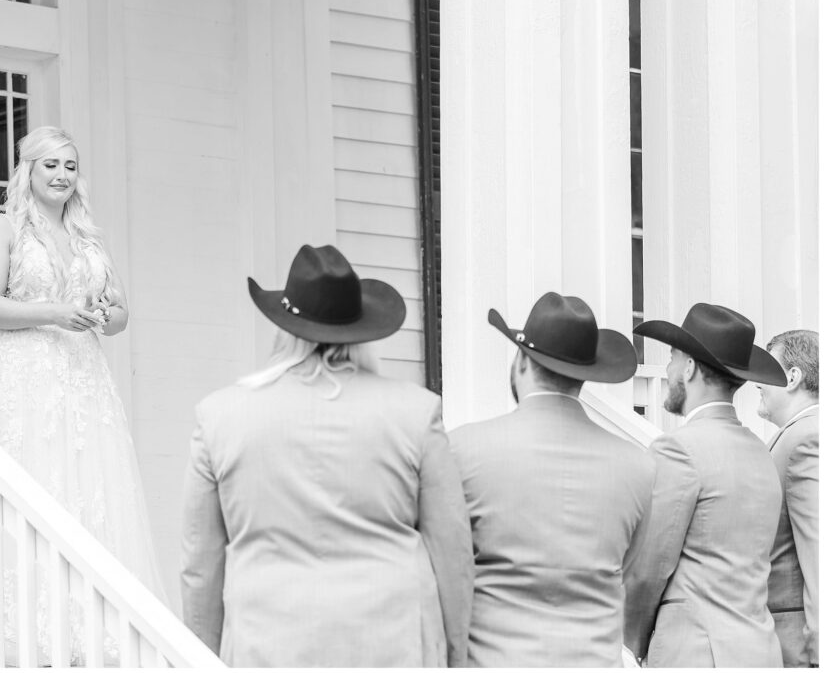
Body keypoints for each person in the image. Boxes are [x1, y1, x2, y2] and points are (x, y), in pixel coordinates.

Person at [179, 244, 473, 667]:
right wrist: (456, 653)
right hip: (395, 643)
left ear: (284, 329)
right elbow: (452, 553)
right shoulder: (416, 411)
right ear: (363, 332)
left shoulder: (219, 416)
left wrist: (201, 658)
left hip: (268, 646)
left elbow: (200, 567)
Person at [0, 126, 165, 664]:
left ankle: (85, 636)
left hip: (83, 382)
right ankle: (18, 639)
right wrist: (55, 313)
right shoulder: (0, 228)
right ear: (27, 170)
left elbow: (120, 315)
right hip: (22, 380)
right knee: (29, 493)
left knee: (88, 497)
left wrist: (105, 313)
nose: (61, 175)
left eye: (70, 166)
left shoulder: (88, 239)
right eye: (50, 164)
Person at [448, 292, 654, 667]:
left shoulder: (463, 448)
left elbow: (448, 569)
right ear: (586, 375)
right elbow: (631, 568)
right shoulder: (638, 466)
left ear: (522, 361)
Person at [625, 303, 786, 667]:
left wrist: (628, 642)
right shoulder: (762, 453)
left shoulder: (677, 449)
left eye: (671, 358)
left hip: (698, 654)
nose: (667, 370)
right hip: (760, 652)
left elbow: (649, 566)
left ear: (690, 367)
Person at [758, 330, 819, 667]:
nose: (759, 383)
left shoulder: (807, 439)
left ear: (793, 377)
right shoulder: (795, 436)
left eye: (769, 371)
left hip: (799, 646)